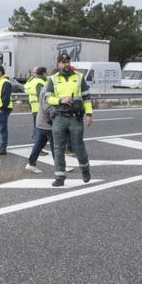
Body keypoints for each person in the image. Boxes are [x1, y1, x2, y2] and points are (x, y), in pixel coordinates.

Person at [44, 52, 92, 186]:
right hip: (59, 118)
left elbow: (87, 98)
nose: (66, 64)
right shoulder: (52, 79)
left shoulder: (79, 77)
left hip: (75, 118)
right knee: (58, 148)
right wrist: (61, 100)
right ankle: (60, 177)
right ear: (58, 64)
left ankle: (85, 169)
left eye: (68, 62)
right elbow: (47, 98)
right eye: (63, 62)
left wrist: (89, 114)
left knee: (78, 146)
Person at [24, 66, 49, 173]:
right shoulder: (40, 83)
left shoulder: (31, 81)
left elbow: (26, 89)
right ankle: (61, 166)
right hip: (43, 112)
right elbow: (43, 98)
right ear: (43, 73)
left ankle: (31, 163)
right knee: (54, 140)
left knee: (40, 138)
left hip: (37, 110)